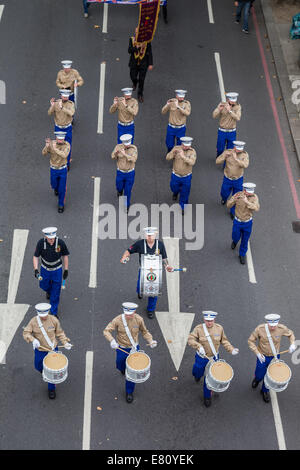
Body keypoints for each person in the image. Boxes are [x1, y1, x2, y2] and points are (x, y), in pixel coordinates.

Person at [103, 302, 157, 403]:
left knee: (131, 373)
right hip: (121, 348)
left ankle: (129, 392)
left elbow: (145, 332)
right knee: (120, 364)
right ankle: (122, 369)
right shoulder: (118, 320)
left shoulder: (139, 319)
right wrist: (112, 340)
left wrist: (151, 341)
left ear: (134, 312)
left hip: (133, 348)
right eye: (126, 314)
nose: (128, 316)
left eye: (130, 314)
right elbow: (106, 331)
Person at [188, 311, 239, 407]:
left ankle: (207, 396)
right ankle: (197, 376)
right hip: (201, 357)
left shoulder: (219, 329)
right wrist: (198, 346)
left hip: (214, 357)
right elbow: (190, 339)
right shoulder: (198, 329)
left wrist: (231, 349)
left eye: (211, 320)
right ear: (204, 319)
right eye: (207, 320)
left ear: (214, 320)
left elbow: (224, 341)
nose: (209, 323)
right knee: (197, 372)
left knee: (210, 378)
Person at [120, 227, 173, 319]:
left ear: (155, 235)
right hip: (143, 270)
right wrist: (124, 257)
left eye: (151, 235)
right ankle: (140, 292)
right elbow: (129, 250)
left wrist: (167, 266)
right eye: (148, 235)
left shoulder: (160, 245)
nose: (149, 237)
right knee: (140, 287)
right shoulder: (140, 244)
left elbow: (164, 258)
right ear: (145, 235)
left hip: (155, 273)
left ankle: (150, 309)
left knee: (153, 291)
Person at [23, 303, 72, 399]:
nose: (43, 317)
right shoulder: (33, 321)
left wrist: (65, 342)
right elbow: (26, 333)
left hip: (52, 350)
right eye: (41, 316)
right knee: (37, 366)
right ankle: (46, 374)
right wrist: (33, 340)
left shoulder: (54, 320)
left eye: (45, 315)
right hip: (40, 350)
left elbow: (60, 333)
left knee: (52, 371)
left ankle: (51, 389)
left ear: (48, 312)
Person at [248, 314, 296, 403]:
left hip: (275, 356)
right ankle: (257, 379)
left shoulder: (282, 329)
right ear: (267, 323)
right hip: (262, 356)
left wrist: (292, 344)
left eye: (275, 326)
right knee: (259, 374)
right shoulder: (260, 329)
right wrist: (257, 353)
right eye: (271, 326)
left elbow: (291, 334)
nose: (273, 328)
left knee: (271, 376)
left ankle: (264, 391)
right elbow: (250, 341)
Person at [33, 227, 69, 317]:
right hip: (45, 269)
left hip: (57, 270)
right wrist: (36, 269)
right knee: (43, 285)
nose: (52, 241)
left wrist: (66, 269)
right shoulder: (41, 243)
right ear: (45, 237)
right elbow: (35, 256)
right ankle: (49, 291)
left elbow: (65, 256)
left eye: (53, 238)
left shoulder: (60, 243)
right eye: (50, 239)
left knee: (56, 292)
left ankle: (53, 312)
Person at [227, 182, 260, 264]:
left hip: (247, 223)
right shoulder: (237, 195)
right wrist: (233, 200)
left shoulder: (254, 197)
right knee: (235, 235)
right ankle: (235, 241)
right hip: (237, 222)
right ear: (244, 191)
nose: (251, 194)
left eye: (251, 192)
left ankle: (242, 254)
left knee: (245, 240)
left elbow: (256, 208)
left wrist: (247, 202)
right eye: (249, 192)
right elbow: (228, 205)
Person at [216, 140, 249, 217]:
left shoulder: (244, 155)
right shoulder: (228, 152)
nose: (239, 151)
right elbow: (217, 161)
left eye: (241, 149)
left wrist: (237, 159)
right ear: (234, 147)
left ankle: (232, 212)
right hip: (227, 178)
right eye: (238, 149)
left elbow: (245, 165)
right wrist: (224, 157)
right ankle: (224, 198)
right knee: (224, 192)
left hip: (238, 179)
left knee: (236, 196)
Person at [166, 136, 197, 215]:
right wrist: (173, 153)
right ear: (182, 144)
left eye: (188, 146)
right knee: (173, 187)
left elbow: (192, 162)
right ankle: (175, 192)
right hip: (176, 175)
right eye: (184, 145)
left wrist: (183, 157)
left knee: (185, 192)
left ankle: (183, 206)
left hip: (186, 176)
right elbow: (167, 158)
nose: (186, 147)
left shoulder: (192, 152)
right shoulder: (176, 148)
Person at [42, 131, 70, 213]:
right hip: (53, 169)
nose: (60, 141)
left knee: (62, 189)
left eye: (61, 139)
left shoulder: (67, 145)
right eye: (58, 139)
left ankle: (61, 204)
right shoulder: (52, 144)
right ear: (56, 138)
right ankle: (56, 188)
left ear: (64, 138)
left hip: (62, 169)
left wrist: (55, 149)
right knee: (53, 184)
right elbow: (43, 153)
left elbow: (64, 155)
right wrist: (47, 147)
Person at [48, 89, 75, 170]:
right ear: (61, 96)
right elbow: (49, 113)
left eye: (66, 96)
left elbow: (72, 113)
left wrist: (62, 108)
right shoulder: (56, 103)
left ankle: (67, 164)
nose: (65, 98)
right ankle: (59, 162)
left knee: (67, 145)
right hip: (58, 128)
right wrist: (52, 106)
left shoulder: (71, 104)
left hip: (67, 128)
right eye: (63, 96)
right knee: (59, 145)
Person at [111, 134, 137, 213]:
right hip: (120, 172)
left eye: (128, 144)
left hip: (130, 173)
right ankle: (119, 190)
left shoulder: (134, 149)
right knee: (119, 185)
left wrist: (125, 154)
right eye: (125, 144)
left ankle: (127, 206)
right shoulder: (118, 147)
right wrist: (116, 153)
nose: (127, 146)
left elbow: (133, 159)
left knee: (128, 191)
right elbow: (112, 156)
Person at [212, 92, 241, 157]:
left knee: (230, 151)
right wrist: (218, 109)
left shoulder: (238, 107)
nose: (233, 102)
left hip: (232, 132)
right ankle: (219, 157)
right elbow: (214, 115)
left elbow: (238, 118)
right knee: (220, 149)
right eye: (232, 101)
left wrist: (230, 111)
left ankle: (226, 165)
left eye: (234, 101)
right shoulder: (222, 104)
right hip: (222, 131)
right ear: (228, 100)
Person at [128, 28, 153, 103]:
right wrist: (137, 47)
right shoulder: (132, 40)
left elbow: (150, 53)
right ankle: (135, 83)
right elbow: (129, 50)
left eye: (139, 32)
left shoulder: (147, 42)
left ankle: (140, 94)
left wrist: (150, 64)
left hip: (143, 64)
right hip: (134, 63)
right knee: (133, 76)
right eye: (136, 32)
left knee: (142, 80)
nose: (137, 33)